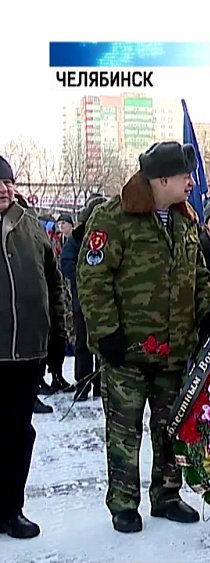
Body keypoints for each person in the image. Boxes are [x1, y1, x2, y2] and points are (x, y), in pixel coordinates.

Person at [77, 141, 210, 533]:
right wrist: (106, 332)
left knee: (170, 427)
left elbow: (198, 275)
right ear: (162, 179)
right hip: (127, 351)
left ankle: (167, 495)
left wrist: (207, 309)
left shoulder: (186, 220)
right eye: (184, 176)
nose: (191, 182)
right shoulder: (115, 218)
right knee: (125, 433)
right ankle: (123, 504)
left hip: (175, 350)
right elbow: (92, 280)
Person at [0, 156, 67, 539]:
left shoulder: (31, 226)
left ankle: (12, 508)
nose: (2, 189)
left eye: (7, 182)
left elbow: (54, 282)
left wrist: (58, 333)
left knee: (18, 433)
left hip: (27, 352)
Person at [61, 195, 108, 400]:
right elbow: (66, 262)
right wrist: (87, 279)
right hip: (83, 301)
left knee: (105, 345)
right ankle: (83, 384)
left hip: (108, 303)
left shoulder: (112, 234)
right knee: (83, 345)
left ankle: (101, 385)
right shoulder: (78, 237)